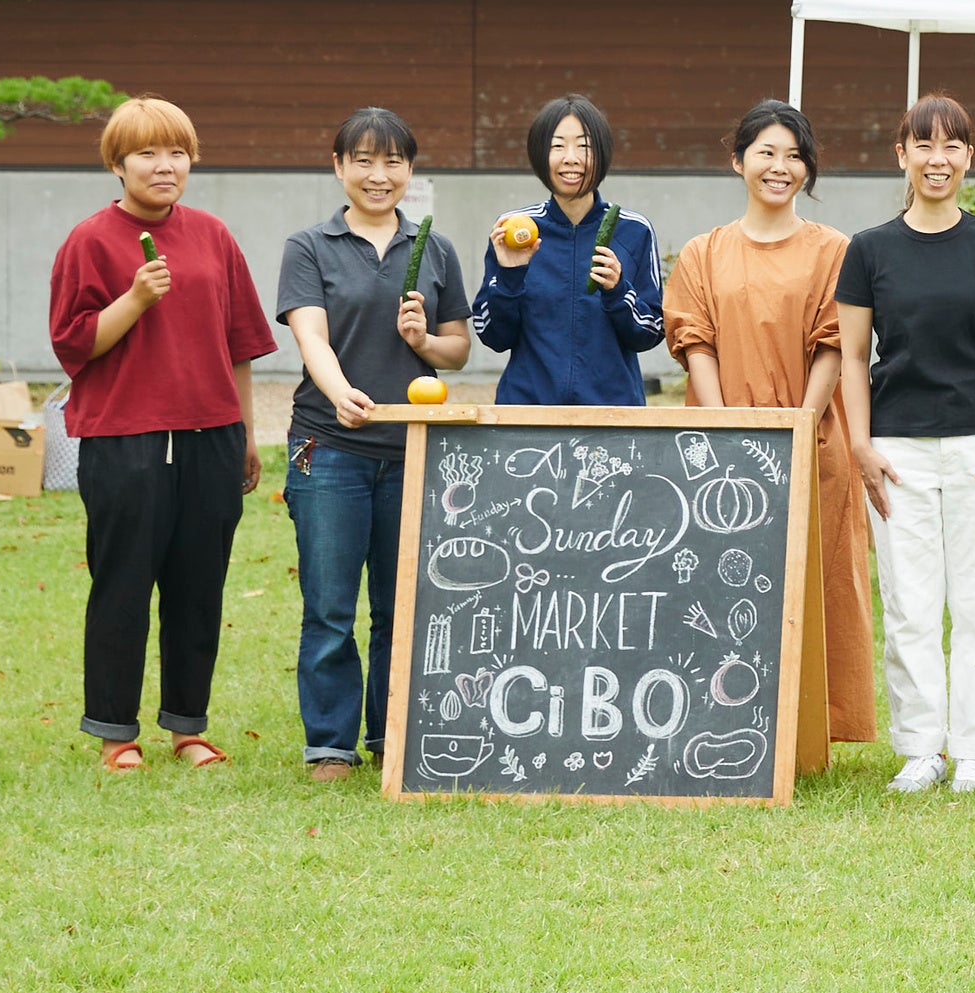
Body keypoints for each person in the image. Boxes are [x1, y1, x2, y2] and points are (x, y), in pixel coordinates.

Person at [50, 97, 276, 770]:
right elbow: (75, 344)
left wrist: (245, 433)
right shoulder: (90, 240)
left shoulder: (213, 235)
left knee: (198, 587)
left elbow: (240, 344)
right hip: (125, 439)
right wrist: (136, 298)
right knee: (121, 586)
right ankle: (116, 733)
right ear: (117, 164)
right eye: (146, 153)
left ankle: (187, 727)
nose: (164, 165)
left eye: (177, 152)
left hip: (212, 434)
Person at [669, 100, 879, 760]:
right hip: (719, 456)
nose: (779, 166)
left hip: (812, 444)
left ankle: (812, 730)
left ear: (807, 168)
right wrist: (726, 428)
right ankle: (716, 724)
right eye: (765, 152)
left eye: (794, 155)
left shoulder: (834, 250)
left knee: (818, 584)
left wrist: (798, 428)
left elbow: (834, 343)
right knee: (718, 589)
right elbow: (694, 341)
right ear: (738, 161)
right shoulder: (704, 252)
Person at [837, 97, 975, 793]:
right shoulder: (869, 250)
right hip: (897, 450)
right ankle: (922, 749)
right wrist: (861, 445)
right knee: (910, 607)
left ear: (969, 157)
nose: (938, 159)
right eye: (923, 145)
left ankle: (974, 750)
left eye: (952, 146)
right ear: (902, 155)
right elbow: (852, 356)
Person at [274, 107, 472, 776]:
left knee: (401, 605)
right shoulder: (310, 246)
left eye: (392, 161)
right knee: (330, 607)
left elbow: (458, 350)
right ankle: (330, 742)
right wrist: (339, 393)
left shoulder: (434, 248)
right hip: (330, 446)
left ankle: (392, 735)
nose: (378, 174)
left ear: (410, 170)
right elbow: (310, 337)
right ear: (339, 167)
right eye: (362, 160)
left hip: (413, 451)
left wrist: (423, 340)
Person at [474, 95, 661, 406]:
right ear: (539, 154)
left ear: (602, 153)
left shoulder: (634, 230)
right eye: (557, 146)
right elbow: (493, 336)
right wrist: (509, 277)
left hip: (612, 415)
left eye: (584, 146)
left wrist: (617, 291)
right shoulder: (513, 230)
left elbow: (650, 332)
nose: (571, 158)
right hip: (528, 413)